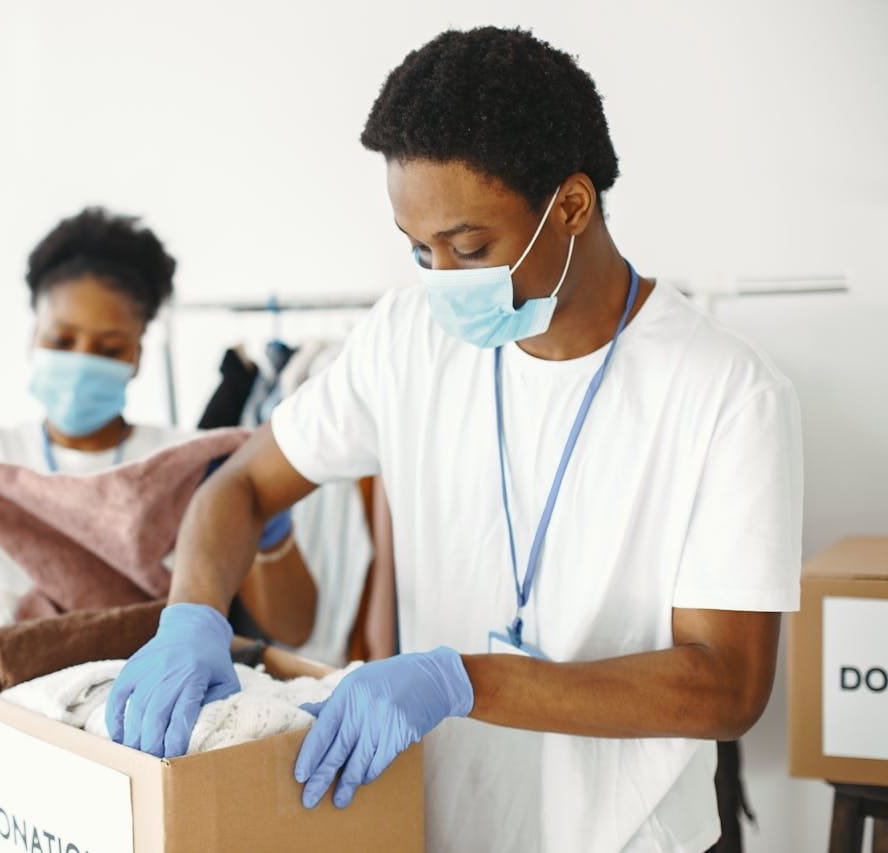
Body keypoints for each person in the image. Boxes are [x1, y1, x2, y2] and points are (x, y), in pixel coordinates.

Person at [102, 28, 802, 853]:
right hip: (433, 826)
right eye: (418, 250)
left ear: (572, 205)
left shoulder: (728, 394)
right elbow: (241, 485)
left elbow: (724, 685)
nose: (441, 278)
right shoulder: (407, 338)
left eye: (469, 248)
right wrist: (192, 614)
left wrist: (462, 679)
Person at [0, 207, 316, 646]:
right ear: (33, 337)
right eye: (61, 339)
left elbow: (296, 629)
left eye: (110, 349)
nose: (81, 360)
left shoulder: (187, 465)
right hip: (14, 684)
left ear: (137, 356)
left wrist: (269, 531)